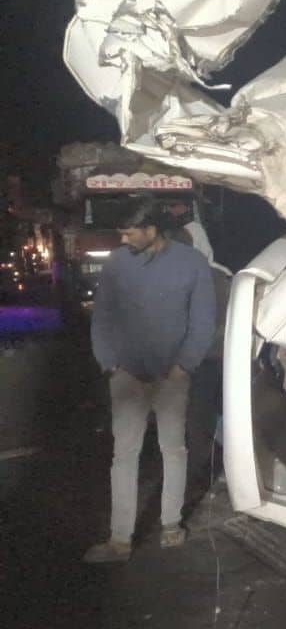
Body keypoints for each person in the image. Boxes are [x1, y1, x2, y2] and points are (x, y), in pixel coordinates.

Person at [83, 195, 216, 563]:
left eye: (129, 233)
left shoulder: (191, 263)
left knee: (173, 450)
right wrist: (109, 362)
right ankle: (119, 540)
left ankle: (171, 524)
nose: (123, 240)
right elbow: (102, 317)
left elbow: (203, 321)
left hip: (172, 376)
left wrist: (184, 366)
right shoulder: (117, 264)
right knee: (124, 455)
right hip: (126, 375)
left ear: (152, 229)